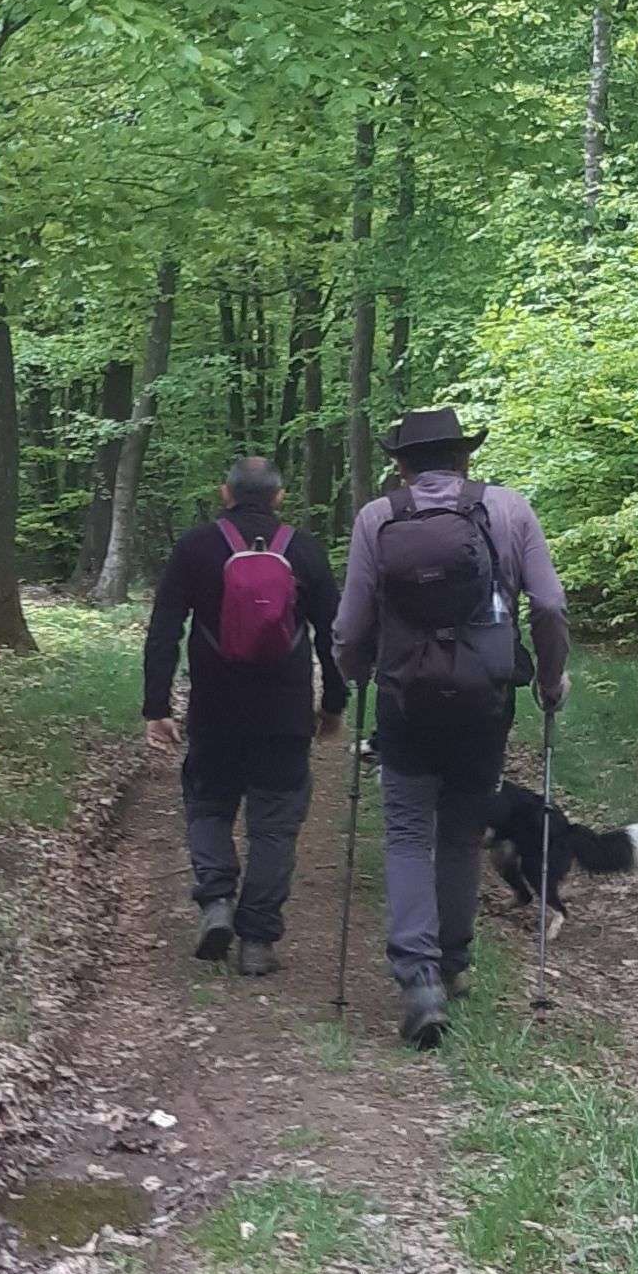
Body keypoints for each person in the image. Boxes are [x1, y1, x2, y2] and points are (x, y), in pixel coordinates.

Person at [332, 405, 568, 1051]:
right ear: (465, 458)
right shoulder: (510, 510)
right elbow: (549, 605)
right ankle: (455, 962)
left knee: (409, 833)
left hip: (405, 701)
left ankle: (420, 981)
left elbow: (350, 627)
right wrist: (550, 681)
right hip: (484, 703)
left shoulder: (377, 518)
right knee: (462, 833)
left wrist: (355, 672)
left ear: (401, 466)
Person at [143, 454, 346, 979]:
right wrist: (334, 703)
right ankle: (257, 941)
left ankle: (216, 901)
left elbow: (165, 627)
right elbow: (333, 635)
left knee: (208, 807)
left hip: (215, 711)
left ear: (225, 493)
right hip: (284, 715)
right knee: (274, 826)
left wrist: (157, 706)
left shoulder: (196, 547)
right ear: (279, 497)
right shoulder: (304, 549)